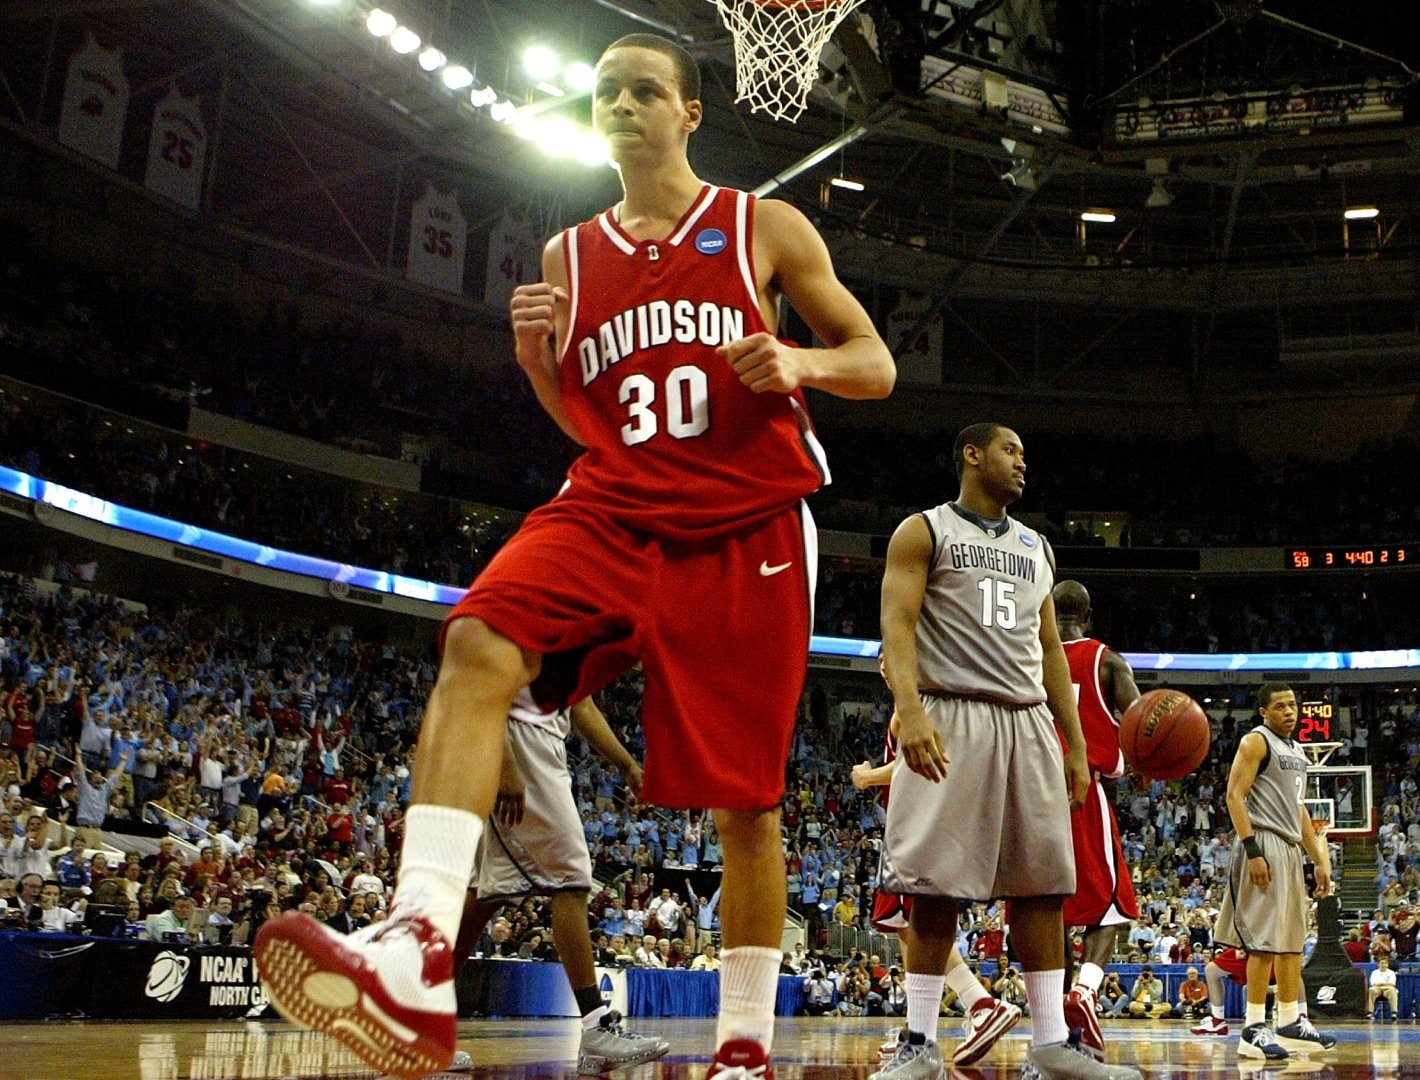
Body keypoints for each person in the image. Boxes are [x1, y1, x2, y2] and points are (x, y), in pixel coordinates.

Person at [251, 28, 894, 1080]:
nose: (622, 104)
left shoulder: (760, 225)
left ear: (690, 113)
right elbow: (586, 418)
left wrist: (798, 358)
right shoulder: (568, 255)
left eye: (647, 90)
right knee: (477, 641)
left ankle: (743, 1047)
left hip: (747, 525)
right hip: (612, 506)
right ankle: (415, 943)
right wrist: (533, 363)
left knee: (749, 806)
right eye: (607, 92)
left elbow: (876, 364)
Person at [872, 423, 1136, 1080]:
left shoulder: (1036, 546)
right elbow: (896, 624)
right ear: (972, 454)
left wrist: (1074, 746)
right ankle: (918, 1043)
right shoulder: (924, 531)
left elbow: (1049, 652)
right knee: (933, 889)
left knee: (1042, 888)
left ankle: (1051, 1043)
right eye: (1010, 451)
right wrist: (908, 710)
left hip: (1028, 723)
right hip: (951, 711)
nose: (1023, 463)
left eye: (1024, 454)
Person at [447, 692, 668, 1075]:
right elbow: (490, 675)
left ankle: (414, 1015)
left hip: (536, 744)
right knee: (572, 879)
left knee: (483, 892)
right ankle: (596, 1027)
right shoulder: (526, 633)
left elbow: (579, 701)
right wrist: (504, 761)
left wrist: (627, 764)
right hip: (517, 739)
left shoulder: (567, 646)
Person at [852, 748, 1020, 1067]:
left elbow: (928, 756)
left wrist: (869, 777)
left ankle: (978, 1005)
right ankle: (918, 1027)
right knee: (906, 926)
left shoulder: (917, 701)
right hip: (925, 814)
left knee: (916, 922)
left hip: (922, 817)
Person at [1215, 683, 1336, 1061]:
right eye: (1280, 706)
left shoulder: (1298, 750)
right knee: (1264, 941)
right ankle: (1252, 1028)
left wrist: (1317, 857)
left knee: (1291, 942)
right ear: (1264, 712)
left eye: (1293, 705)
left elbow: (1299, 811)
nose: (1289, 711)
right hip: (1263, 841)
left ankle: (1289, 1020)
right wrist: (1252, 850)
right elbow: (1234, 795)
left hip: (1288, 847)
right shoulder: (1256, 741)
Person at [1053, 580, 1144, 1060]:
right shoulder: (1106, 660)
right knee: (1108, 908)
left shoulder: (1027, 652)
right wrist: (1146, 761)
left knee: (1045, 911)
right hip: (1080, 787)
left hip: (1023, 790)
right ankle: (1085, 992)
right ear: (1088, 614)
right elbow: (1143, 721)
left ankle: (1056, 1032)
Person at [1367, 956, 1400, 1022]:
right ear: (1378, 964)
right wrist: (1385, 983)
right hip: (1377, 989)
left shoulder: (1391, 973)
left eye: (1385, 963)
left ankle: (1394, 1013)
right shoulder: (1374, 972)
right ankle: (1370, 1012)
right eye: (1382, 963)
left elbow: (1392, 984)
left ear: (1387, 964)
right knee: (1371, 990)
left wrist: (1380, 983)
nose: (1383, 965)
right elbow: (1373, 983)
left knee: (1392, 991)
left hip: (1388, 989)